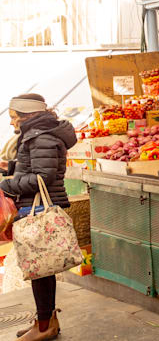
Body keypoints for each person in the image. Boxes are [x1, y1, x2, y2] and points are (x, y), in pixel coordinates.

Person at [0, 94, 75, 341]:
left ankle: (44, 327)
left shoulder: (42, 136)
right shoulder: (38, 134)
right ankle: (46, 320)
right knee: (42, 271)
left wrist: (9, 184)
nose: (11, 123)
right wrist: (9, 167)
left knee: (40, 271)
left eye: (14, 117)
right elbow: (35, 167)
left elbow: (43, 178)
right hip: (39, 205)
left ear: (28, 115)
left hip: (40, 207)